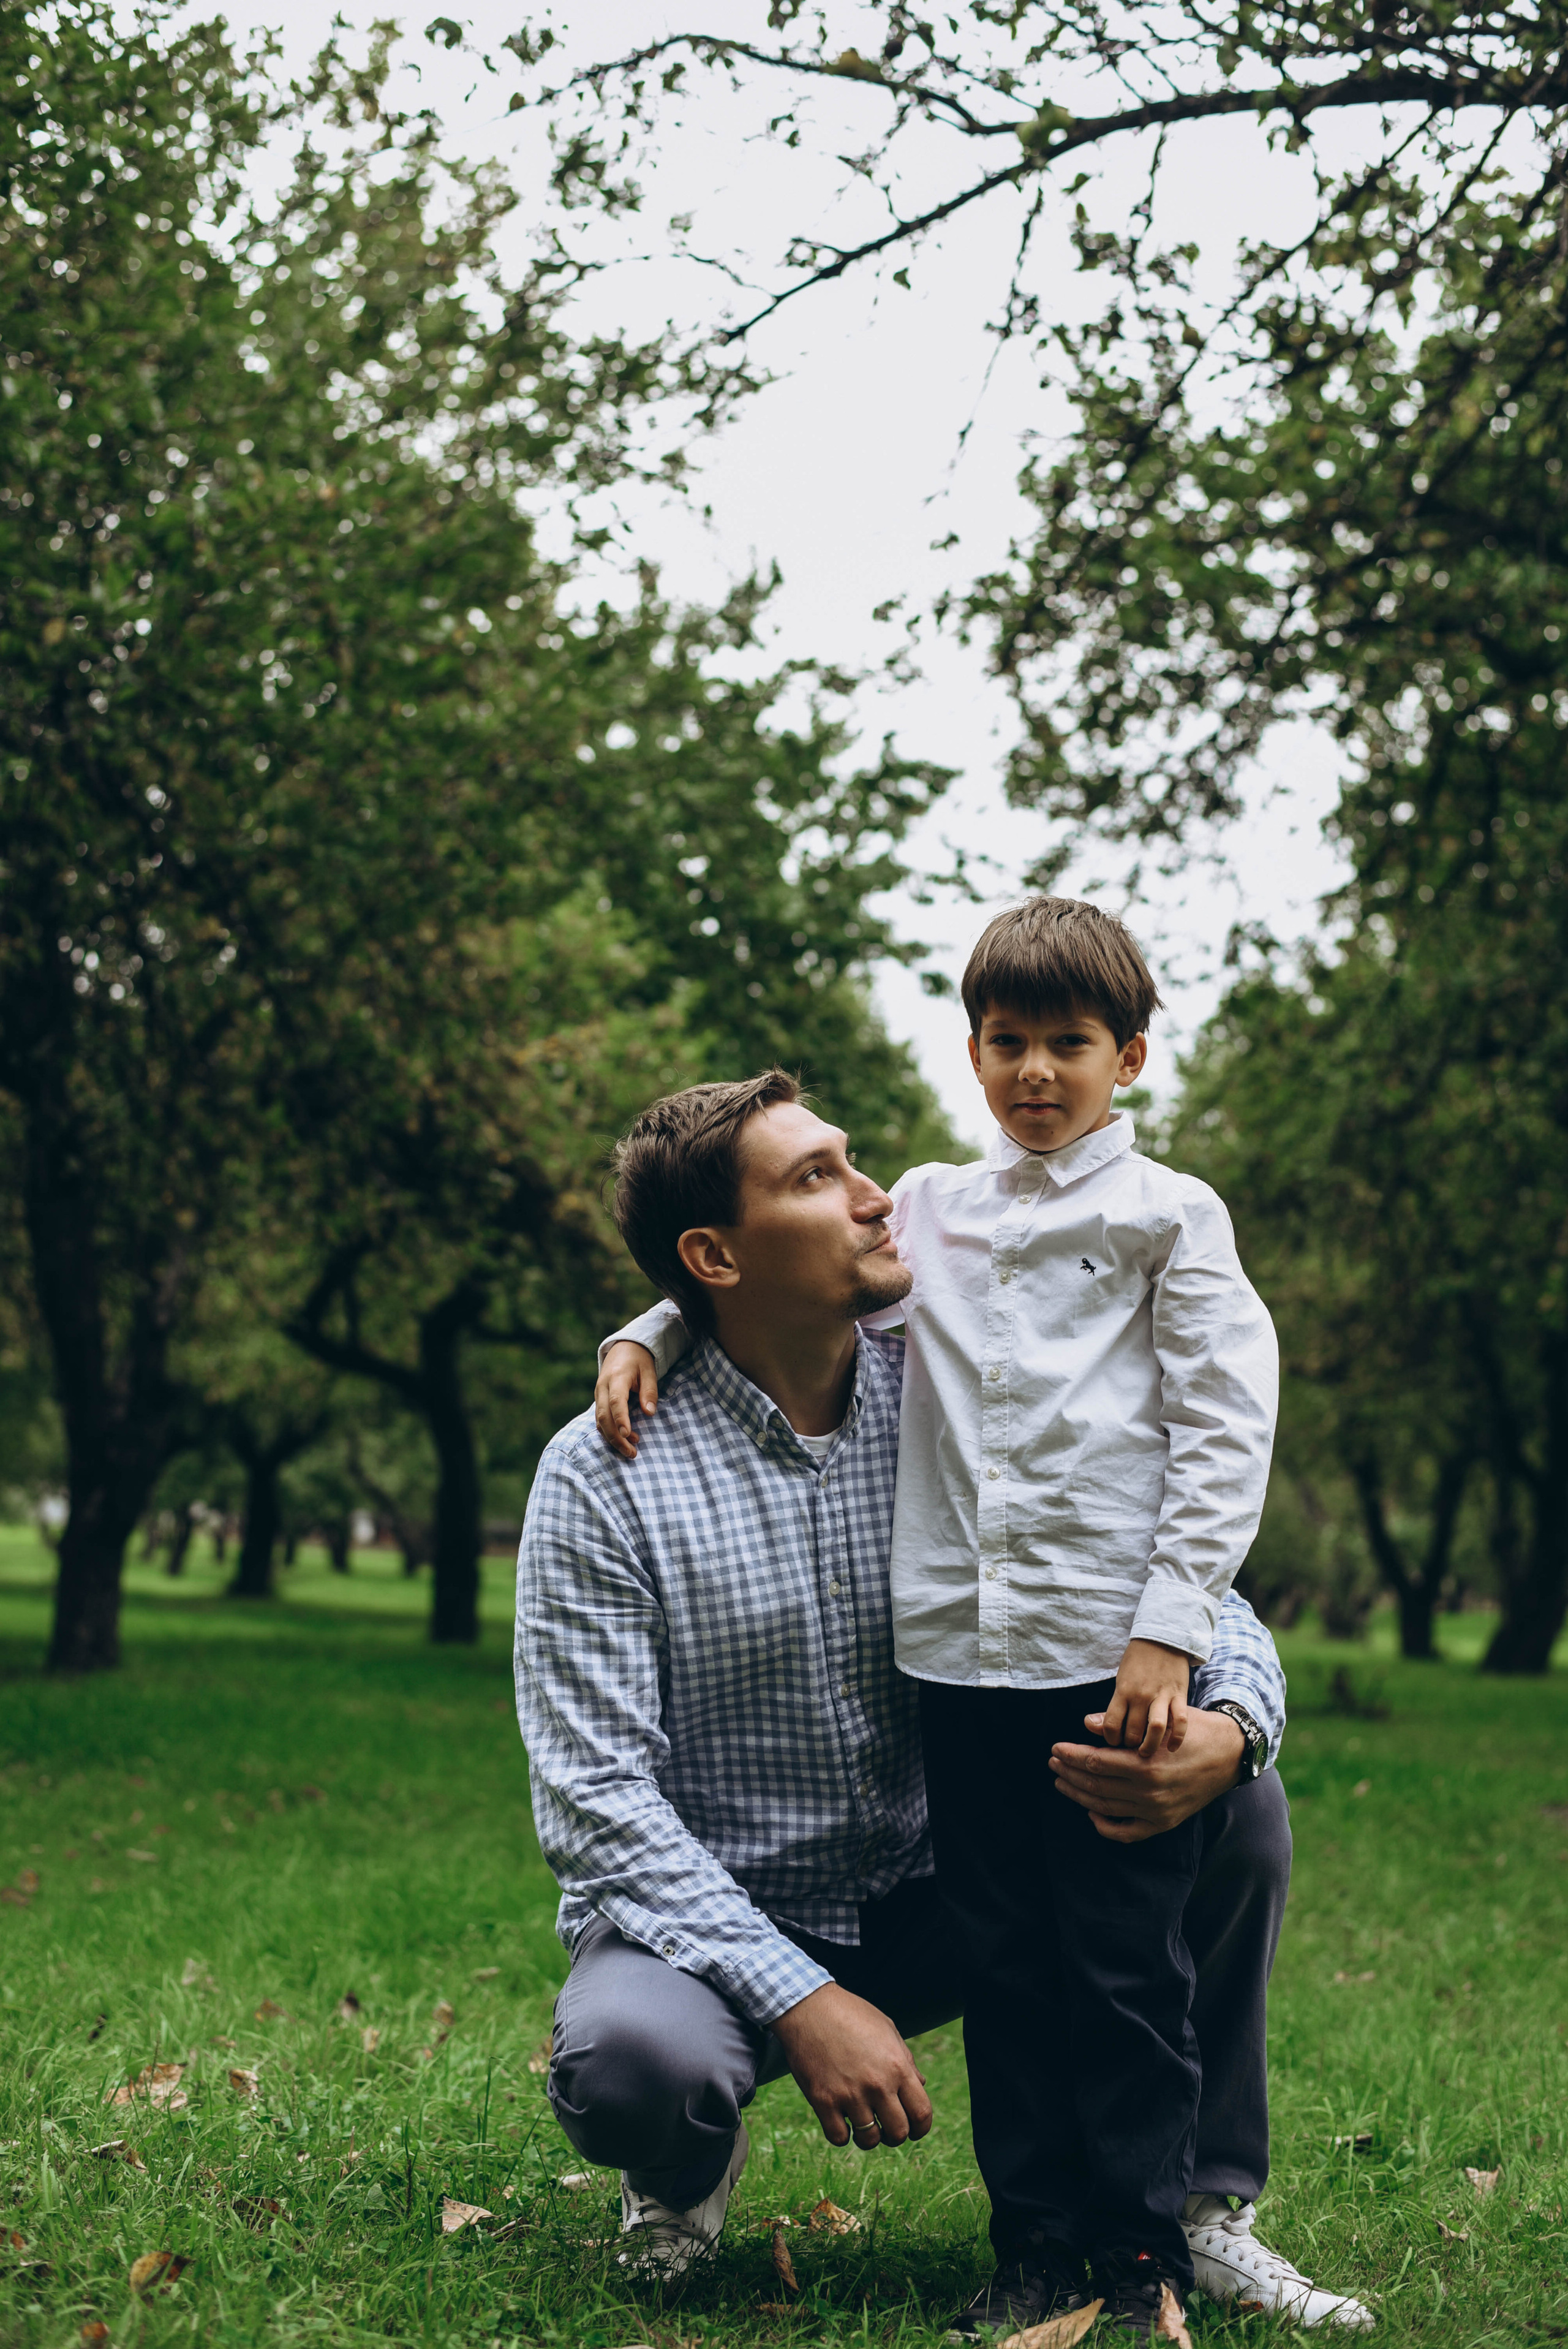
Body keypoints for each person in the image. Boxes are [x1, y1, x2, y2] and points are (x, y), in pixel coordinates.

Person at [523, 1063, 1371, 2327]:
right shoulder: (603, 1473)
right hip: (728, 1907)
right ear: (713, 1254)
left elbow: (1133, 1562)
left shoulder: (956, 1375)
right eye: (816, 1179)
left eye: (850, 1160)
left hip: (953, 1880)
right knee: (632, 2069)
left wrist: (1234, 1720)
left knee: (1226, 1805)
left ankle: (1196, 2214)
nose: (876, 1199)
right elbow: (594, 1805)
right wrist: (803, 2001)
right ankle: (681, 2177)